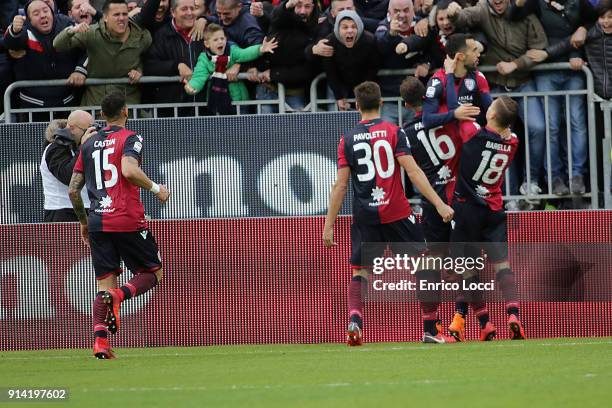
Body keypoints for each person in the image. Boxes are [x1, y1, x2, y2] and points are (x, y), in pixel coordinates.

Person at [322, 81, 455, 346]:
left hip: (365, 216)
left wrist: (329, 225)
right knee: (425, 265)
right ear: (381, 103)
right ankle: (431, 328)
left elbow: (340, 186)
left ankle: (355, 321)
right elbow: (413, 171)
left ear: (357, 106)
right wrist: (439, 204)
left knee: (361, 272)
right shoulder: (395, 132)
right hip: (397, 212)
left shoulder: (346, 139)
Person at [68, 92, 170, 359]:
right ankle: (119, 296)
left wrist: (83, 222)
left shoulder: (87, 145)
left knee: (103, 285)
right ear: (125, 111)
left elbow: (73, 190)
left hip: (97, 221)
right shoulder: (130, 138)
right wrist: (156, 188)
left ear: (102, 115)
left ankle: (100, 342)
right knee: (152, 273)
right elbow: (128, 170)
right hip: (126, 217)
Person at [451, 95, 526, 341]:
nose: (487, 107)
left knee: (466, 267)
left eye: (491, 106)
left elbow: (458, 114)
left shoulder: (473, 132)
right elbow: (507, 133)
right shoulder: (512, 141)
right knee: (502, 265)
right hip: (493, 208)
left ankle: (460, 320)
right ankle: (513, 313)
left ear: (492, 115)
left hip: (467, 208)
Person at [54, 0, 152, 106]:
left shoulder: (142, 36)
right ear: (105, 17)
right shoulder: (92, 33)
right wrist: (72, 30)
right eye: (116, 15)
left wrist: (139, 70)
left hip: (128, 107)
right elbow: (58, 45)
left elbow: (147, 59)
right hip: (96, 107)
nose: (121, 18)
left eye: (124, 14)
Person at [4, 0, 87, 112]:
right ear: (29, 20)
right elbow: (11, 43)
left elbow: (88, 47)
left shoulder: (66, 23)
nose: (43, 15)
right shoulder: (23, 28)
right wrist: (14, 31)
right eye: (36, 13)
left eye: (45, 10)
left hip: (67, 103)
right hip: (32, 106)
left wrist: (80, 70)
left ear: (52, 12)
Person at [184, 23, 278, 114]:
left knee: (243, 128)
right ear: (207, 44)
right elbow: (200, 74)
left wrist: (260, 49)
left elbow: (244, 53)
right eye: (215, 40)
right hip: (218, 102)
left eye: (222, 38)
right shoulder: (204, 58)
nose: (220, 41)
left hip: (239, 101)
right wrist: (192, 86)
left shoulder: (232, 50)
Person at [422, 33, 491, 129]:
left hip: (471, 136)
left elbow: (491, 111)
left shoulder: (478, 77)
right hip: (447, 137)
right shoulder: (438, 81)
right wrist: (454, 114)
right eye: (474, 50)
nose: (478, 54)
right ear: (461, 56)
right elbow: (427, 120)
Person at [41, 111, 94, 222]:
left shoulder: (80, 147)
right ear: (73, 128)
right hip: (61, 211)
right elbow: (68, 176)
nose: (90, 133)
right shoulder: (54, 148)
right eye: (87, 129)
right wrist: (83, 147)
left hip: (88, 208)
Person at [322, 10, 379, 111]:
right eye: (345, 27)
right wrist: (339, 96)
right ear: (337, 29)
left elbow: (372, 69)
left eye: (353, 27)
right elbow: (330, 71)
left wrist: (362, 94)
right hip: (338, 82)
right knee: (336, 116)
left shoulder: (370, 41)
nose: (349, 31)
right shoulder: (329, 42)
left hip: (363, 81)